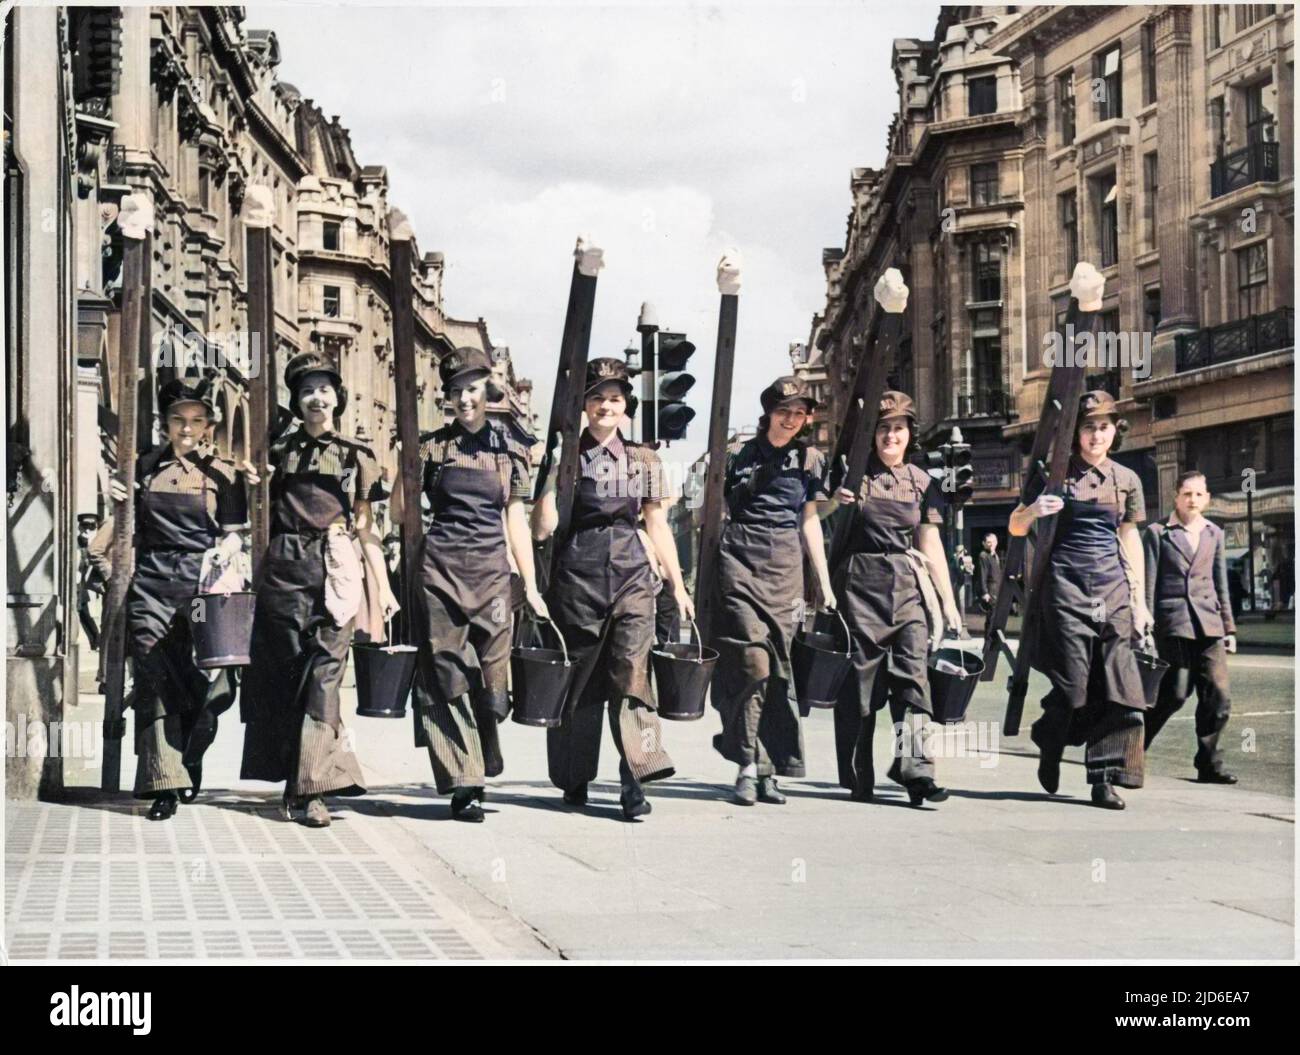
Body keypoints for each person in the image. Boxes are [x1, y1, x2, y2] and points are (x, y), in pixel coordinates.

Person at [531, 357, 691, 820]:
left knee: (632, 674)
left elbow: (658, 525)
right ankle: (574, 776)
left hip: (632, 573)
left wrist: (677, 586)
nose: (606, 406)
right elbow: (542, 530)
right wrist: (550, 484)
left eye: (615, 398)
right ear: (583, 405)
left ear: (627, 406)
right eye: (597, 397)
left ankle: (635, 779)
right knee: (579, 680)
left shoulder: (644, 458)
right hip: (576, 574)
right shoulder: (566, 455)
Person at [241, 351, 389, 827]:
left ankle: (311, 792)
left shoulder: (356, 457)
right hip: (285, 571)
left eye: (324, 389)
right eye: (306, 391)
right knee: (287, 674)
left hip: (337, 570)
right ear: (296, 401)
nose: (316, 398)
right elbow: (257, 509)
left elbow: (365, 525)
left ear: (338, 398)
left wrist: (380, 587)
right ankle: (296, 778)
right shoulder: (278, 454)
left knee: (325, 677)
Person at [411, 347, 546, 822]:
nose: (464, 400)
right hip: (441, 571)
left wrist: (529, 584)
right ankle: (464, 782)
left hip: (492, 575)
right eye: (455, 391)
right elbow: (406, 507)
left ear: (486, 391)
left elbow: (515, 517)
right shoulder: (430, 448)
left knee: (492, 685)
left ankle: (483, 740)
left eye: (471, 389)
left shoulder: (509, 450)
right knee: (447, 672)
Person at [112, 379, 247, 820]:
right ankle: (163, 782)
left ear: (208, 425)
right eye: (177, 420)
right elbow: (126, 523)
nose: (186, 429)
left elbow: (233, 536)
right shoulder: (143, 466)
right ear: (165, 423)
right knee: (153, 678)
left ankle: (191, 752)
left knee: (206, 686)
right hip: (152, 582)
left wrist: (221, 552)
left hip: (202, 585)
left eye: (195, 421)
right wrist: (117, 497)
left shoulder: (224, 474)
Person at [1013, 390, 1152, 810]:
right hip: (1065, 590)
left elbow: (1130, 539)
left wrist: (1139, 601)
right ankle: (1049, 737)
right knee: (1075, 687)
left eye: (1104, 427)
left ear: (1115, 431)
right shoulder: (1055, 474)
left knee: (1120, 688)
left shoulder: (1126, 479)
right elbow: (1016, 527)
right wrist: (1035, 509)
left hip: (1113, 592)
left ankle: (1103, 778)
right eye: (1088, 427)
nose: (1096, 436)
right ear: (1075, 434)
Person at [828, 390, 963, 806]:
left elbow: (930, 542)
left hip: (906, 585)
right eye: (883, 429)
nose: (891, 436)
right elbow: (826, 523)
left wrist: (948, 602)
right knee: (860, 685)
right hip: (858, 585)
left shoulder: (921, 481)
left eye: (899, 429)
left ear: (910, 435)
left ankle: (916, 769)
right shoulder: (853, 477)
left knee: (913, 678)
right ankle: (858, 773)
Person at [711, 376, 832, 806]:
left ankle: (768, 767)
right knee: (751, 664)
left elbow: (810, 520)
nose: (792, 420)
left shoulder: (812, 460)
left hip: (785, 568)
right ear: (769, 414)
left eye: (800, 413)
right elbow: (712, 510)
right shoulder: (735, 454)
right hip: (739, 562)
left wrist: (823, 579)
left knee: (778, 671)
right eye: (784, 412)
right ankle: (746, 764)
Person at [1142, 470, 1238, 783]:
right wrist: (1145, 623)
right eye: (1186, 494)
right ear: (1176, 497)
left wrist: (1228, 629)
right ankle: (1133, 749)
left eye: (1198, 494)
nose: (1192, 500)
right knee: (1174, 694)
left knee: (1217, 696)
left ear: (1207, 498)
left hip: (1209, 625)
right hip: (1173, 623)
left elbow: (1220, 583)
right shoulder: (1157, 532)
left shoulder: (1214, 533)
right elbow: (1149, 582)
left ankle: (1209, 764)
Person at [976, 532, 1001, 614]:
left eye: (994, 541)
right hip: (991, 590)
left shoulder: (995, 555)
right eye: (989, 542)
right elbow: (982, 574)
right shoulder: (983, 555)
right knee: (992, 614)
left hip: (997, 588)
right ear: (984, 543)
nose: (992, 544)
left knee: (996, 613)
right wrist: (985, 592)